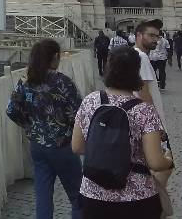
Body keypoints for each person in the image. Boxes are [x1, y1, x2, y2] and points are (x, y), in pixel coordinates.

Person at [72, 47, 173, 217]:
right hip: (136, 198)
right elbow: (155, 162)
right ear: (136, 72)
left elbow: (77, 147)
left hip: (93, 193)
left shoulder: (90, 101)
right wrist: (168, 160)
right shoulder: (144, 110)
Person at [11, 39, 83, 219]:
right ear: (55, 57)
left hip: (37, 146)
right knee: (78, 197)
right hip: (63, 145)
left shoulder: (25, 80)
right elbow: (79, 115)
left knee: (43, 196)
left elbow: (12, 110)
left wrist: (30, 126)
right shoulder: (63, 82)